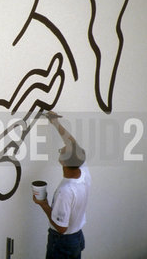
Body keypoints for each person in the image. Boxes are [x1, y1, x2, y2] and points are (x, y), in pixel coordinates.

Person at [33, 111, 91, 259]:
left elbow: (61, 227)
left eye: (62, 151)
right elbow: (72, 143)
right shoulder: (83, 172)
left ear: (63, 161)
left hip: (62, 242)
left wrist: (43, 204)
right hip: (76, 236)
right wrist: (55, 123)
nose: (63, 147)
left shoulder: (66, 192)